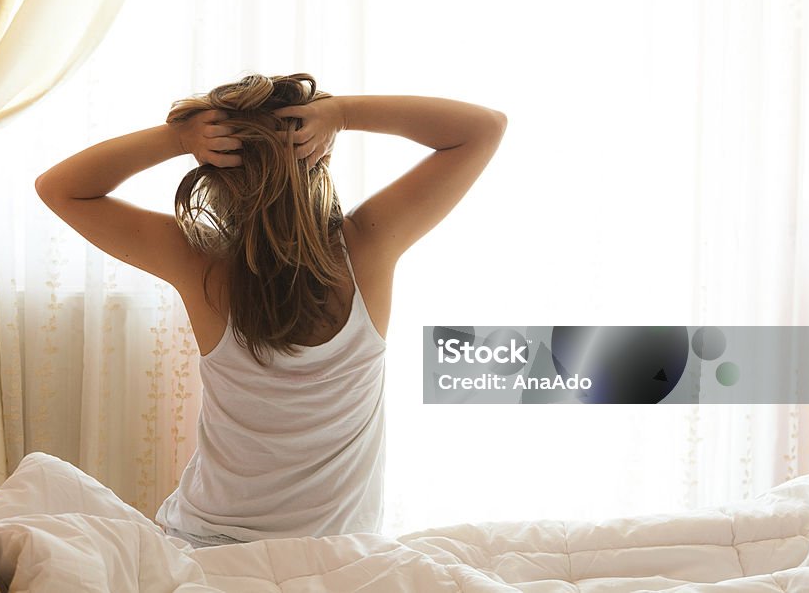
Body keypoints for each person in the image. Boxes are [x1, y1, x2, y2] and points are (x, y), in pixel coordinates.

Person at [34, 72, 507, 548]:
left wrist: (179, 137)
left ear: (218, 170)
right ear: (321, 154)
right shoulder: (368, 249)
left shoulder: (201, 266)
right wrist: (343, 113)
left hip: (204, 546)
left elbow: (60, 187)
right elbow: (482, 127)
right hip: (338, 555)